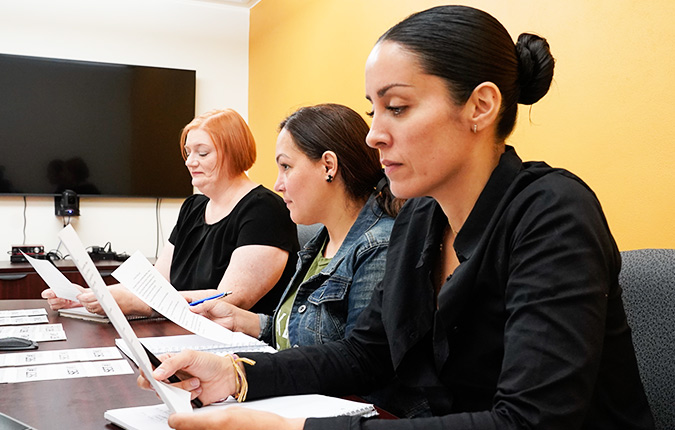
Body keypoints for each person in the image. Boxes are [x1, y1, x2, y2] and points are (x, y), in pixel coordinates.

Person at [138, 6, 655, 430]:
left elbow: (531, 421)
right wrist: (235, 372)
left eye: (398, 108)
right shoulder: (420, 218)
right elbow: (365, 354)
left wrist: (297, 429)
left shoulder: (552, 213)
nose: (373, 135)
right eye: (373, 110)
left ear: (480, 106)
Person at [42, 109, 299, 316]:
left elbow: (228, 301)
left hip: (234, 349)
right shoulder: (193, 207)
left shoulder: (265, 210)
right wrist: (88, 297)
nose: (189, 161)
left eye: (203, 152)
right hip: (180, 333)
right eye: (188, 153)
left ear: (234, 153)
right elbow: (156, 282)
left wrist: (135, 303)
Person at [190, 103, 401, 351]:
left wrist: (246, 374)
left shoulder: (378, 247)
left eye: (286, 167)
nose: (277, 185)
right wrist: (245, 322)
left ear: (328, 167)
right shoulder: (319, 244)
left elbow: (357, 362)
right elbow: (299, 336)